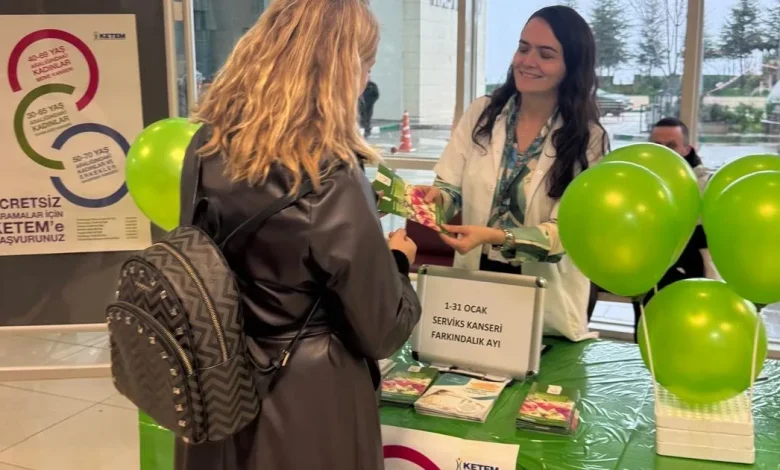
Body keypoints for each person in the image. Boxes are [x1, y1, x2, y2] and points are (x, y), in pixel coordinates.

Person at [174, 1, 421, 469]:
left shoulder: (205, 144)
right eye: (366, 64)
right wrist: (398, 261)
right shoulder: (328, 174)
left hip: (215, 384)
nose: (366, 80)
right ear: (343, 69)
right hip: (304, 402)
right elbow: (382, 329)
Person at [418, 6, 609, 342]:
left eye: (545, 54)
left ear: (572, 67)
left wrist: (494, 236)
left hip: (546, 299)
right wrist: (436, 201)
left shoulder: (588, 139)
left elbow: (566, 234)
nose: (528, 61)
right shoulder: (483, 113)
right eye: (523, 48)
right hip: (475, 291)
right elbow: (450, 187)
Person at [631, 117, 717, 341]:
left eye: (671, 146)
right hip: (646, 264)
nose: (663, 152)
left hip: (690, 269)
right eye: (657, 146)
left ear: (687, 149)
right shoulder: (637, 179)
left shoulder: (705, 184)